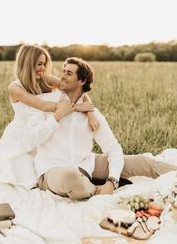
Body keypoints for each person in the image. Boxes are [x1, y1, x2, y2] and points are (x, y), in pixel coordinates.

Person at [22, 57, 177, 200]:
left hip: (85, 163)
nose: (62, 76)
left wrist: (112, 180)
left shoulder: (92, 114)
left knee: (143, 161)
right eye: (63, 71)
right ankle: (95, 190)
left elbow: (112, 147)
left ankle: (106, 184)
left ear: (82, 80)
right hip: (53, 170)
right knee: (71, 178)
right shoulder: (45, 103)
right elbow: (31, 140)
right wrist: (57, 116)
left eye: (68, 73)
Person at [0, 44, 97, 188]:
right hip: (22, 134)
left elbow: (77, 89)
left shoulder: (45, 79)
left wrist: (91, 114)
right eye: (39, 64)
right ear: (28, 64)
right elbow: (44, 106)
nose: (43, 68)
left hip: (43, 130)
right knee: (21, 175)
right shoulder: (15, 88)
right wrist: (77, 108)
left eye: (44, 63)